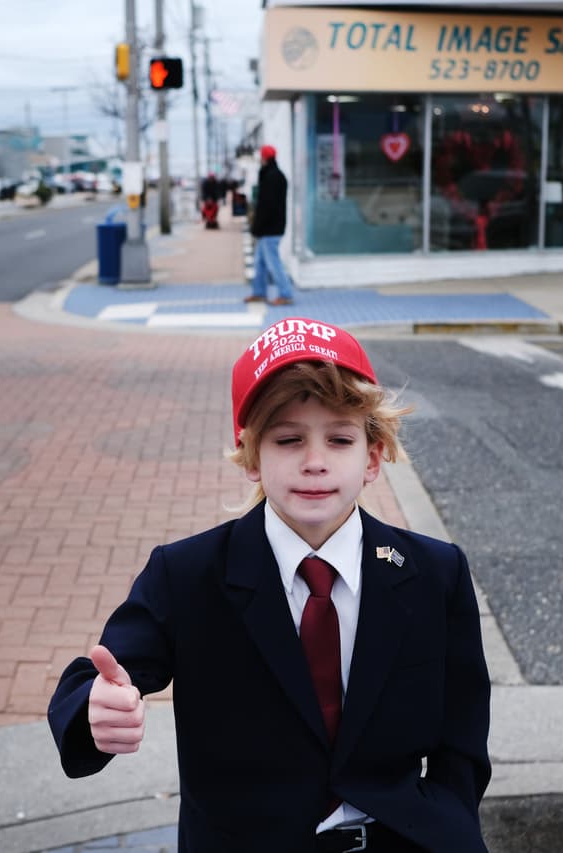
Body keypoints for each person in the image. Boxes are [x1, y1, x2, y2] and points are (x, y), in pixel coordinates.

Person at [48, 317, 492, 852]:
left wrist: (449, 823)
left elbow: (462, 733)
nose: (314, 462)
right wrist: (94, 708)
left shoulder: (434, 572)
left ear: (372, 458)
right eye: (288, 439)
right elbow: (91, 680)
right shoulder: (187, 575)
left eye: (340, 438)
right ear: (252, 455)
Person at [248, 144, 295, 306]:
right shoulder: (274, 175)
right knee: (260, 262)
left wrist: (257, 226)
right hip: (270, 227)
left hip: (270, 228)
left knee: (273, 263)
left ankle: (286, 293)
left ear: (264, 158)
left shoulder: (272, 177)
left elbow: (266, 206)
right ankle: (259, 292)